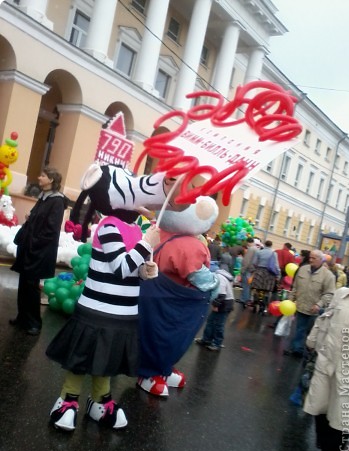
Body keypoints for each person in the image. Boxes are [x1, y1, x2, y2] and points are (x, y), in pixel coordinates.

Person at [46, 163, 182, 431]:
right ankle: (67, 400)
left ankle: (100, 401)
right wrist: (146, 245)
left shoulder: (134, 229)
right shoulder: (109, 225)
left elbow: (132, 271)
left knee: (106, 361)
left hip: (123, 312)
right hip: (97, 310)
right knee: (82, 359)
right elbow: (120, 267)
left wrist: (146, 271)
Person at [137, 196, 220, 397]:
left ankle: (162, 368)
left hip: (154, 295)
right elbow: (199, 277)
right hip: (174, 301)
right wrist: (217, 284)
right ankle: (148, 373)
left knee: (155, 334)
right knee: (167, 337)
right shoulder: (188, 245)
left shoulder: (158, 233)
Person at [303, 266, 349, 451]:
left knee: (341, 414)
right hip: (327, 359)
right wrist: (313, 342)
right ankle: (324, 443)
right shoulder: (342, 294)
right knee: (319, 405)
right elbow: (325, 318)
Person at [10, 167, 68, 335]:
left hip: (39, 250)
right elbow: (38, 217)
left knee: (32, 286)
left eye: (42, 175)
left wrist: (33, 229)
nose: (39, 177)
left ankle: (34, 322)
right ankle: (22, 318)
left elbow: (51, 229)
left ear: (51, 180)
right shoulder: (44, 197)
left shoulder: (56, 201)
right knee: (24, 284)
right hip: (30, 247)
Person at [284, 250, 335, 358]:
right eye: (310, 257)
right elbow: (295, 287)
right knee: (299, 329)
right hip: (301, 306)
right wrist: (290, 300)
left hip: (315, 310)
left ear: (321, 260)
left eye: (314, 258)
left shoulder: (328, 275)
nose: (310, 260)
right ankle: (297, 350)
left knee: (312, 333)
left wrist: (319, 305)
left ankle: (310, 354)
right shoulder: (303, 269)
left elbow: (329, 293)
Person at [195, 267, 234, 351]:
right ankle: (206, 339)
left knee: (218, 324)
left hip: (224, 304)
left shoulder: (219, 278)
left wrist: (216, 306)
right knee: (211, 321)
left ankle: (217, 343)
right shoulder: (220, 277)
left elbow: (221, 294)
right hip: (224, 302)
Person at [250, 240, 280, 312]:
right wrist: (278, 274)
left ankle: (255, 302)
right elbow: (276, 265)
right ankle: (264, 305)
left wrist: (256, 269)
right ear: (271, 246)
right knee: (267, 290)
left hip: (259, 271)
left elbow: (254, 262)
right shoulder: (274, 254)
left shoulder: (259, 252)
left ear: (264, 245)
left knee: (257, 289)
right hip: (269, 274)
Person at [238, 237, 258, 307]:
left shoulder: (251, 249)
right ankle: (247, 299)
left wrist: (242, 269)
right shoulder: (256, 249)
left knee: (245, 285)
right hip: (252, 270)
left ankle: (244, 299)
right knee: (248, 286)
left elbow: (247, 260)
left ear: (248, 242)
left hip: (247, 269)